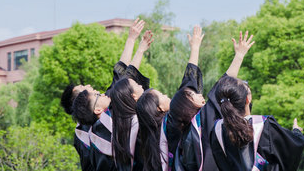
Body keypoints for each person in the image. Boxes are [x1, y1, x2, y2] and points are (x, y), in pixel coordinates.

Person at [60, 18, 149, 171]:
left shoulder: (82, 132)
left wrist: (134, 43)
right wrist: (133, 42)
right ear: (80, 102)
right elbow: (123, 78)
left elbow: (121, 76)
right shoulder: (102, 117)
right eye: (84, 89)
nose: (89, 87)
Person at [174, 30, 255, 171]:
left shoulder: (176, 126)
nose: (200, 95)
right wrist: (239, 55)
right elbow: (223, 85)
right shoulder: (203, 119)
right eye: (193, 95)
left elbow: (188, 81)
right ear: (186, 106)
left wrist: (195, 48)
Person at [135, 24, 206, 171]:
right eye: (162, 95)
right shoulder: (171, 124)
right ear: (159, 108)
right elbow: (188, 85)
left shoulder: (147, 136)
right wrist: (195, 48)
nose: (167, 95)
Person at [210, 76, 304, 171]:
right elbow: (294, 148)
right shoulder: (264, 126)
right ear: (248, 99)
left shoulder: (216, 131)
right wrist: (297, 131)